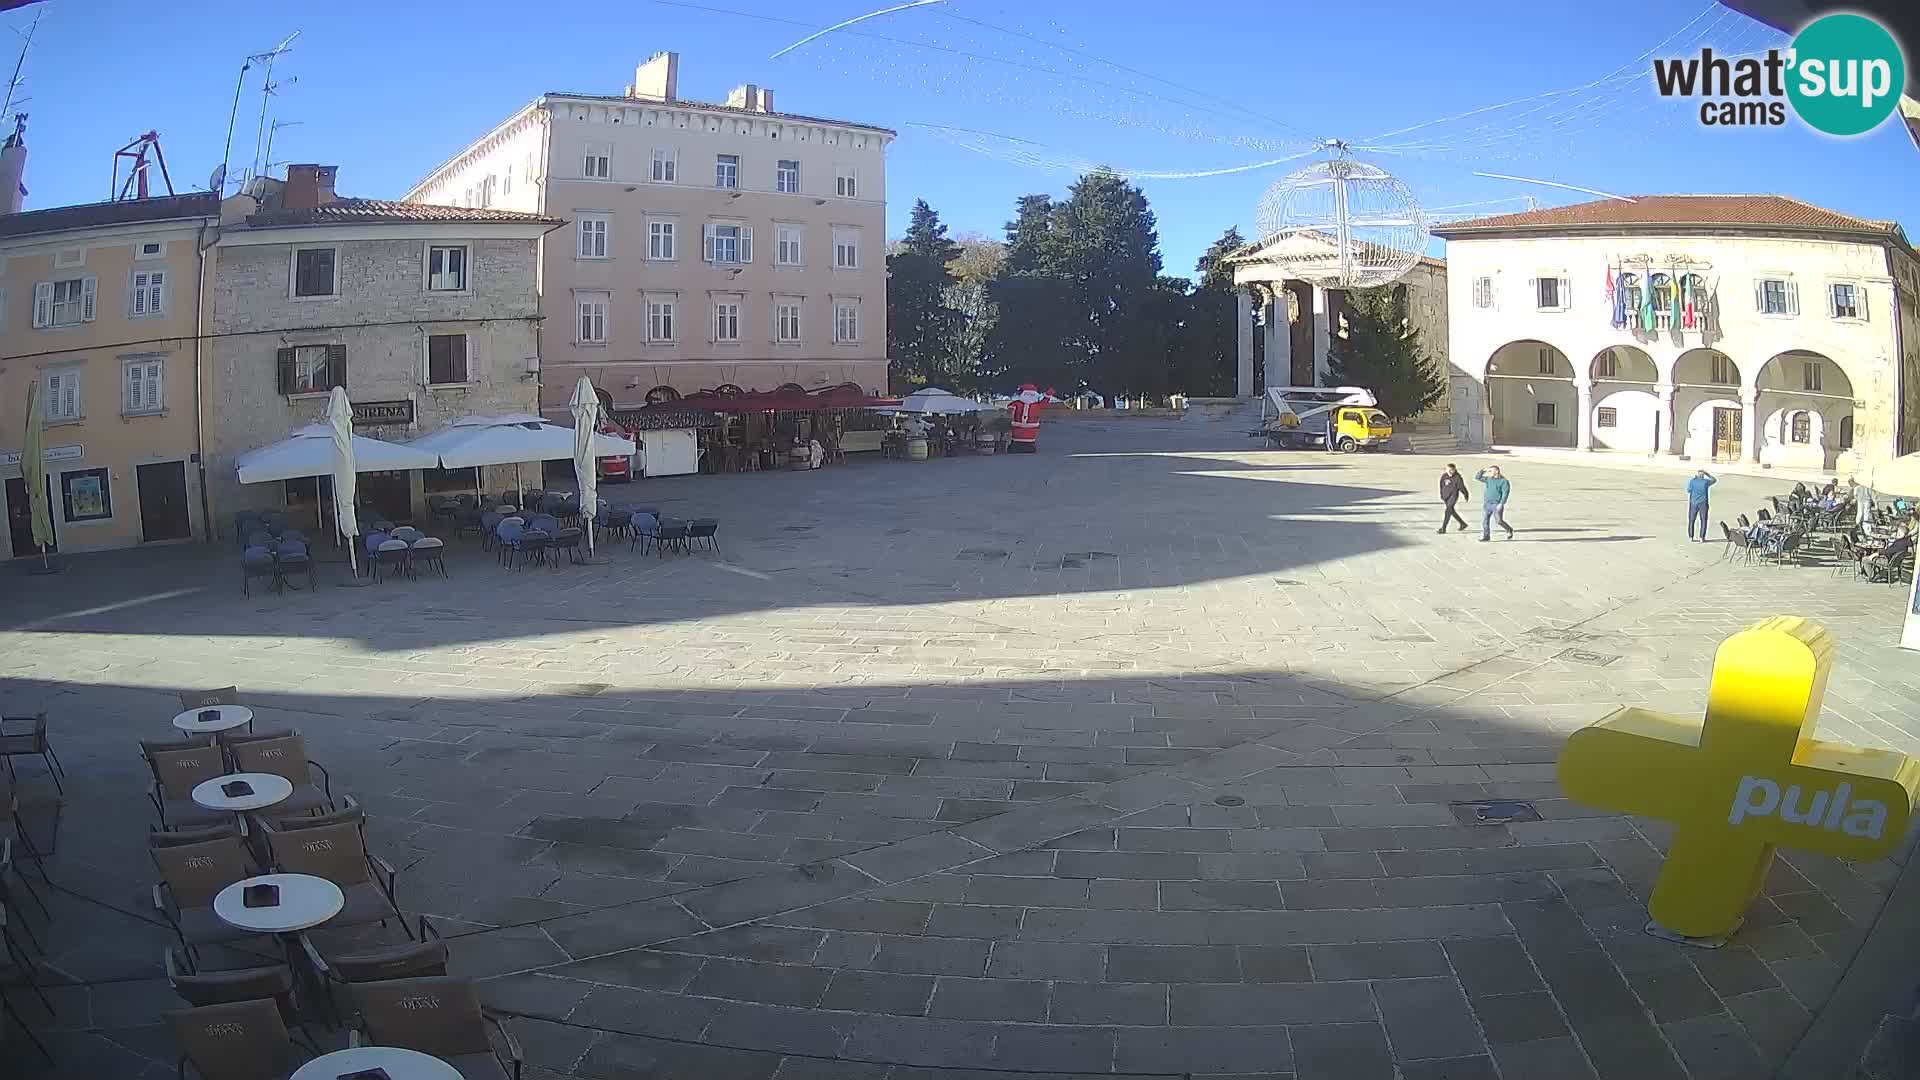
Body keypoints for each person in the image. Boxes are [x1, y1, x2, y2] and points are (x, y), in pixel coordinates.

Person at [1474, 465, 1514, 541]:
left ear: (1496, 471)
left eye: (1491, 471)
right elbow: (1477, 477)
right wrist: (1483, 470)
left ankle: (1509, 529)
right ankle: (1486, 536)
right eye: (1489, 471)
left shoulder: (1503, 481)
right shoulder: (1488, 479)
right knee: (1485, 521)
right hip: (1487, 503)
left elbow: (1505, 493)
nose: (1489, 473)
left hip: (1497, 504)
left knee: (1499, 521)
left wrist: (1501, 504)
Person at [1438, 464, 1470, 534]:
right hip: (1446, 496)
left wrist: (1466, 494)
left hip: (1453, 496)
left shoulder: (1457, 477)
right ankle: (1462, 523)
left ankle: (1443, 528)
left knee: (1448, 511)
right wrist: (1441, 494)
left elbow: (1462, 487)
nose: (1450, 471)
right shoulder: (1444, 476)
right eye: (1448, 470)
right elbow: (1441, 486)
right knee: (1451, 511)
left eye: (1451, 470)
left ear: (1454, 470)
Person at [1686, 469, 1716, 542]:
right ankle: (1701, 537)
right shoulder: (1705, 482)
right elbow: (1714, 480)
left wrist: (1694, 479)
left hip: (1693, 502)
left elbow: (1688, 490)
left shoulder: (1692, 481)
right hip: (1703, 503)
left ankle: (1691, 536)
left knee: (1691, 520)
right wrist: (1707, 474)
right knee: (1703, 520)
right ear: (1703, 475)